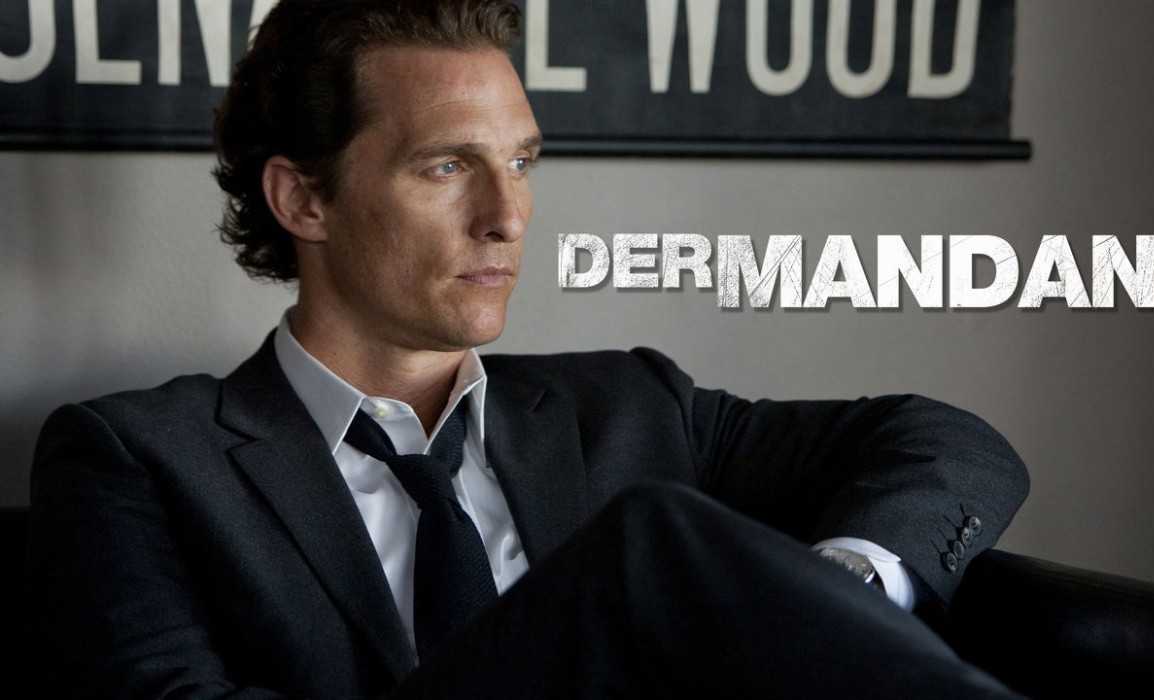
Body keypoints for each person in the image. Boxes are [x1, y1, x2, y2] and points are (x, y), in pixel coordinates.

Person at [27, 0, 1029, 697]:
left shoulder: (631, 406)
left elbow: (947, 443)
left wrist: (844, 588)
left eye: (519, 161)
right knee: (649, 543)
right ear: (303, 198)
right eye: (447, 166)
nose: (507, 215)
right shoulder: (139, 458)